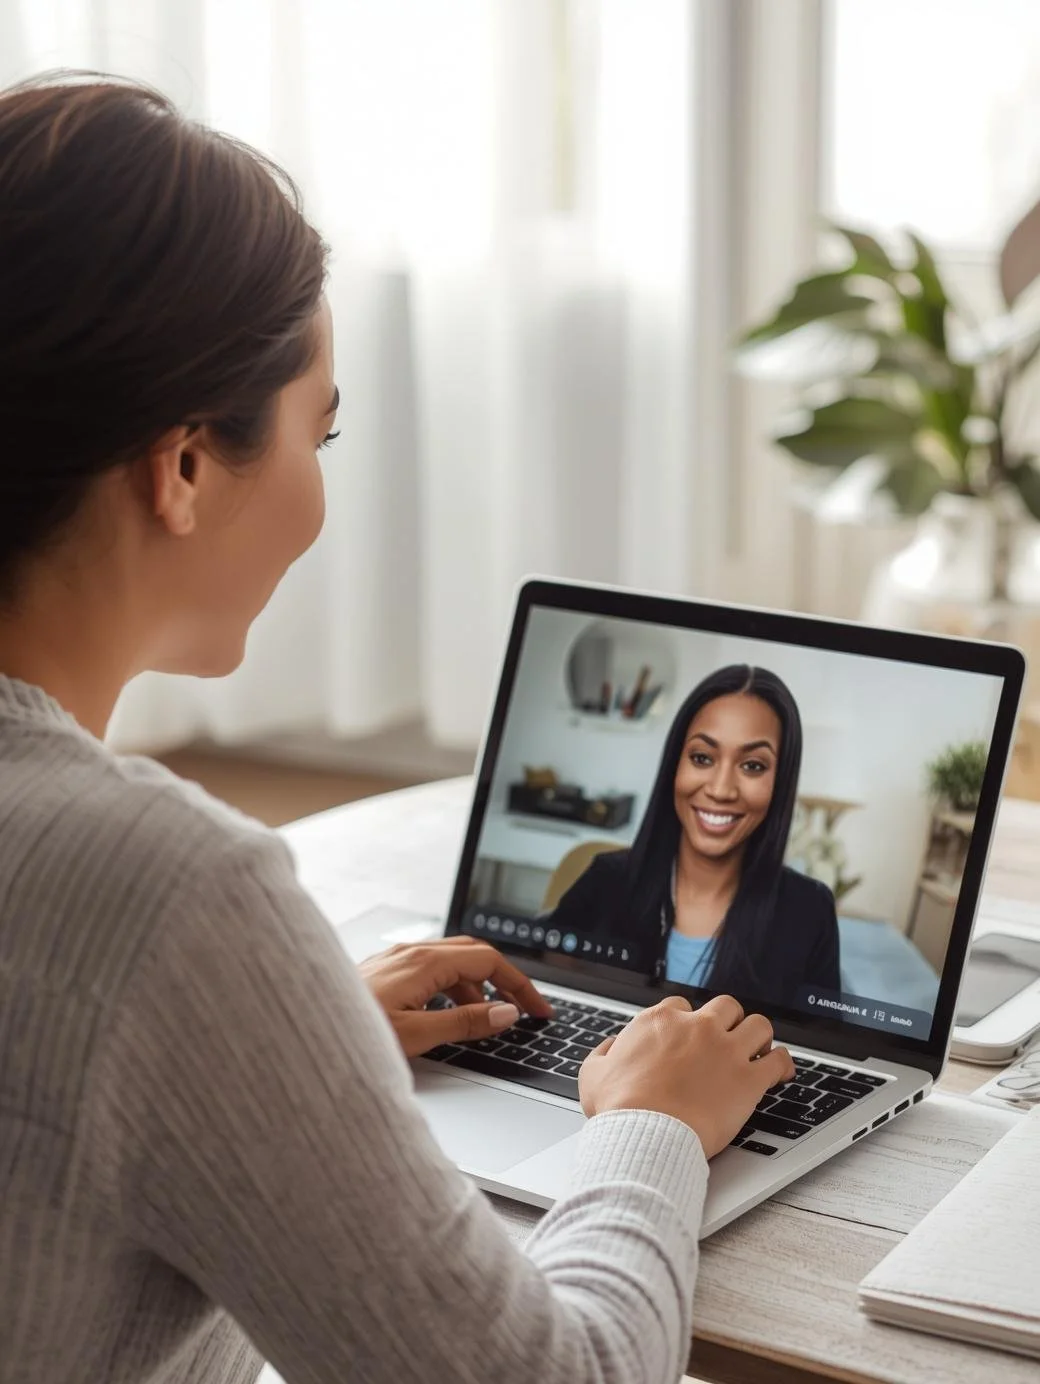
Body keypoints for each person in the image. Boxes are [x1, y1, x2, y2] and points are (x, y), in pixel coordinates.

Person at [0, 75, 795, 1384]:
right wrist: (649, 1123)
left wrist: (287, 1060)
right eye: (323, 431)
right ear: (185, 466)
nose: (321, 499)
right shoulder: (168, 892)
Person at [547, 665, 841, 1008]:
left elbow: (823, 1041)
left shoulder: (809, 910)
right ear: (676, 765)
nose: (720, 790)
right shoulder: (606, 879)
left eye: (753, 766)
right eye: (702, 758)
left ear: (781, 782)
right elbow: (539, 988)